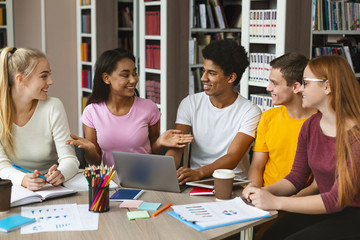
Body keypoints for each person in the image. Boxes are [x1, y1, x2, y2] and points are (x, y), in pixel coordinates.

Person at [243, 55, 360, 240]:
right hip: (324, 206)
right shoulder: (311, 125)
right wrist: (263, 192)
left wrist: (276, 202)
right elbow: (296, 178)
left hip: (352, 214)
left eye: (305, 83)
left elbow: (336, 200)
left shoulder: (356, 136)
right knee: (271, 236)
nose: (300, 89)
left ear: (327, 87)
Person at [67, 48, 193, 167]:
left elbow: (152, 150)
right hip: (113, 181)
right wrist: (90, 149)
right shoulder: (92, 112)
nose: (133, 80)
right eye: (125, 75)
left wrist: (159, 142)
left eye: (135, 73)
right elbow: (95, 161)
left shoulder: (149, 108)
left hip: (146, 178)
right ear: (107, 78)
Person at [166, 39, 262, 185]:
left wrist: (199, 172)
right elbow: (177, 148)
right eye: (204, 71)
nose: (203, 78)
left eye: (211, 73)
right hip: (195, 182)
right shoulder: (190, 103)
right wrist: (166, 171)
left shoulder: (250, 111)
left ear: (231, 77)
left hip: (234, 183)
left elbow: (233, 157)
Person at [0, 47, 79, 191]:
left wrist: (61, 174)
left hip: (52, 188)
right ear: (20, 79)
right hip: (15, 188)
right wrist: (23, 180)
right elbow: (1, 166)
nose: (51, 81)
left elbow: (70, 159)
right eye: (44, 76)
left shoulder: (53, 106)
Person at [248, 53, 314, 188]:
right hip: (265, 196)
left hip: (300, 202)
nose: (268, 88)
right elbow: (256, 167)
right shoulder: (268, 117)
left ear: (296, 87)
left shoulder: (320, 122)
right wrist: (254, 191)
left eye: (274, 83)